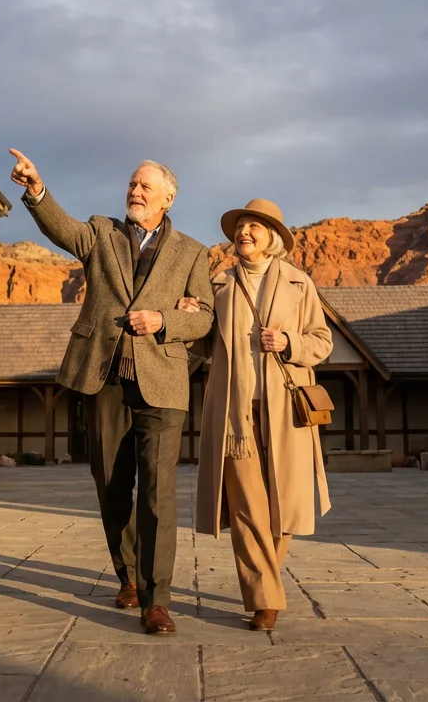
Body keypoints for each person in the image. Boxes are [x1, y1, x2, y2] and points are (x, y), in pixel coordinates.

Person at [9, 148, 214, 635]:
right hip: (102, 378)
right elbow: (62, 227)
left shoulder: (192, 252)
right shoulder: (102, 232)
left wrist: (166, 320)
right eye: (131, 184)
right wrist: (36, 189)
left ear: (168, 198)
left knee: (159, 493)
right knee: (113, 486)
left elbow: (204, 316)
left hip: (161, 380)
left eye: (145, 186)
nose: (134, 191)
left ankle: (156, 600)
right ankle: (126, 575)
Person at [178, 198, 332, 632]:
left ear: (273, 238)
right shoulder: (220, 284)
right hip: (234, 412)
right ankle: (266, 599)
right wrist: (190, 324)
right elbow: (205, 347)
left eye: (253, 227)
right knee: (247, 505)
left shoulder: (300, 284)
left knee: (284, 506)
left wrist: (289, 343)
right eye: (240, 226)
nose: (243, 232)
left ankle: (265, 586)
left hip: (287, 411)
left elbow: (322, 341)